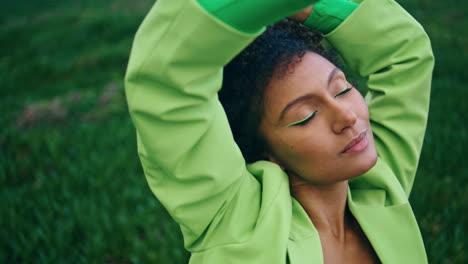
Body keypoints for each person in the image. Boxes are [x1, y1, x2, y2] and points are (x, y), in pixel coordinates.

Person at [125, 0, 434, 262]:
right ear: (266, 152)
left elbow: (404, 54)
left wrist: (316, 6)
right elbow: (166, 79)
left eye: (341, 89)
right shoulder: (237, 223)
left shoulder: (379, 185)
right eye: (306, 116)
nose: (348, 116)